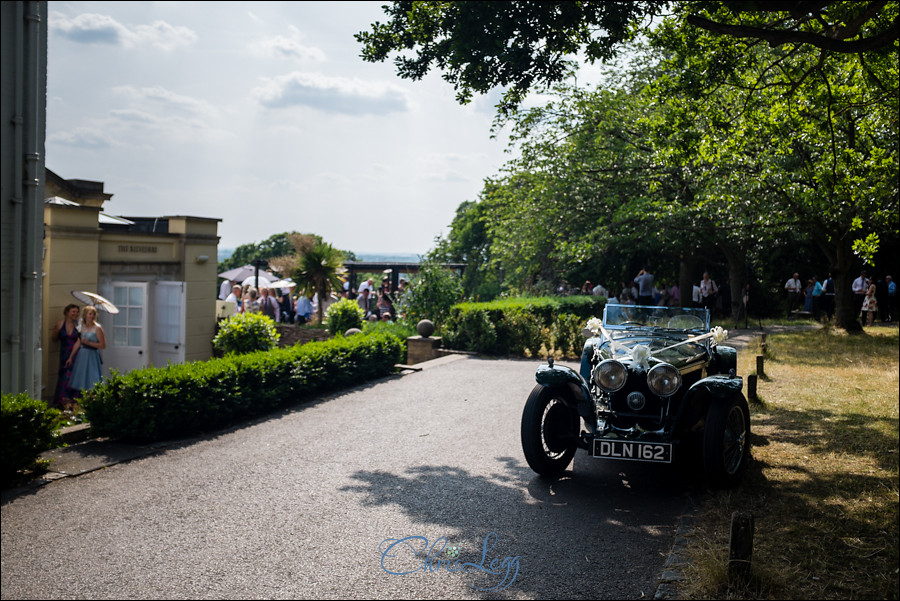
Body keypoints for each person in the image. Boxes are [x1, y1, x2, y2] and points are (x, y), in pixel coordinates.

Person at [68, 305, 106, 396]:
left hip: (92, 355)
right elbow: (78, 342)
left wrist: (88, 343)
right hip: (82, 355)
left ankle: (92, 399)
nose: (92, 316)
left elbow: (103, 345)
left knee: (92, 379)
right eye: (90, 314)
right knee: (81, 379)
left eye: (93, 314)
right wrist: (70, 357)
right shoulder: (82, 327)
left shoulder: (97, 328)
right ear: (85, 315)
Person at [52, 304, 81, 408]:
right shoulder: (60, 324)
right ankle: (62, 400)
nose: (76, 314)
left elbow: (81, 339)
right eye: (73, 311)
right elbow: (54, 339)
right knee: (63, 375)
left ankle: (73, 400)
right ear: (67, 312)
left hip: (76, 354)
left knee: (72, 375)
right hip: (64, 352)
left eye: (77, 312)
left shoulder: (78, 325)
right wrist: (56, 331)